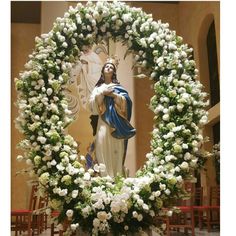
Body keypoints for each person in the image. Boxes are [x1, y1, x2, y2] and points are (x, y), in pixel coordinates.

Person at [88, 60, 136, 177]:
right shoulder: (98, 88)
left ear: (114, 72)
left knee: (116, 148)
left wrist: (114, 95)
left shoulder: (118, 88)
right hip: (102, 122)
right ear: (102, 71)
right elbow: (92, 107)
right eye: (107, 66)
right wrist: (102, 94)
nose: (109, 68)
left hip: (116, 124)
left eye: (111, 67)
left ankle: (117, 176)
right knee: (101, 145)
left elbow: (127, 103)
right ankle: (105, 177)